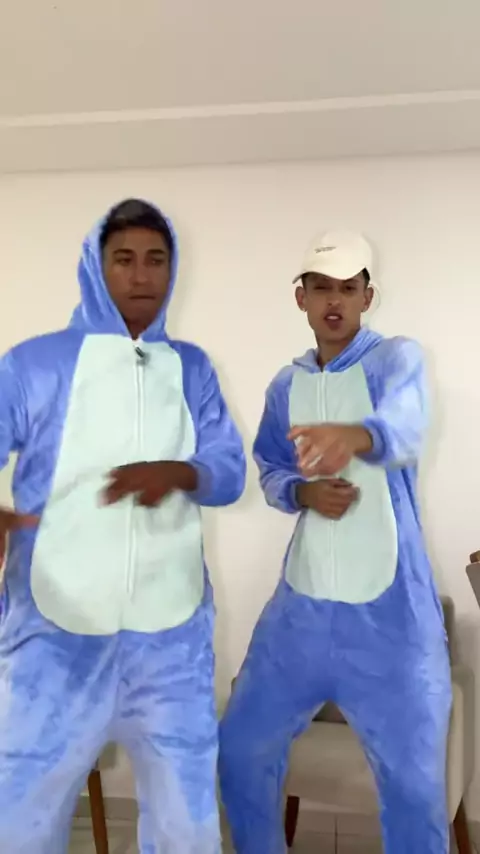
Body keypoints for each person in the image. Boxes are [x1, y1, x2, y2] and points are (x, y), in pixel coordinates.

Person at [0, 198, 246, 854]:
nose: (141, 276)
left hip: (170, 639)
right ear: (96, 266)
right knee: (20, 817)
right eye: (125, 259)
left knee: (186, 826)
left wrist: (180, 472)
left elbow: (229, 470)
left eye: (156, 260)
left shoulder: (192, 368)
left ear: (173, 270)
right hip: (53, 634)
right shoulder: (34, 364)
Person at [219, 231, 451, 854]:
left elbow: (406, 423)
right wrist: (303, 492)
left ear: (367, 296)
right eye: (321, 287)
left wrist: (356, 435)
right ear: (301, 297)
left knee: (415, 788)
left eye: (348, 288)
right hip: (303, 609)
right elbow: (271, 467)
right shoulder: (284, 385)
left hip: (391, 618)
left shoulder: (394, 359)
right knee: (239, 749)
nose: (334, 301)